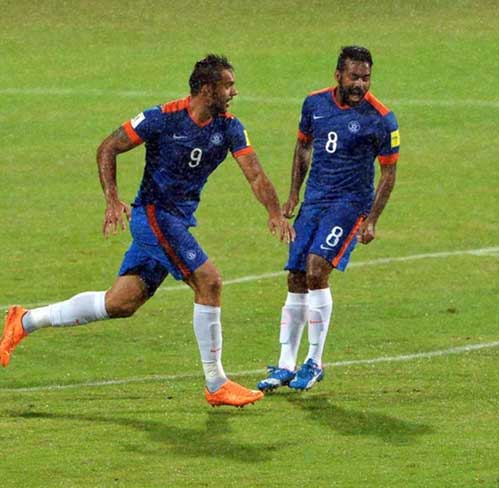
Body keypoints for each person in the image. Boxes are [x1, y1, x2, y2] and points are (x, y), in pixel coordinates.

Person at [1, 54, 295, 407]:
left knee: (120, 303)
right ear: (207, 89)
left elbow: (255, 174)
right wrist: (112, 199)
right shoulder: (162, 118)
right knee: (209, 281)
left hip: (176, 221)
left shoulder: (229, 127)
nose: (234, 92)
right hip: (154, 216)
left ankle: (25, 320)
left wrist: (274, 212)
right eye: (228, 85)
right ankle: (216, 383)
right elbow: (108, 147)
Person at [257, 46, 399, 391]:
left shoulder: (381, 118)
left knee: (317, 269)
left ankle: (314, 362)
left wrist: (372, 219)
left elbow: (388, 173)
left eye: (366, 78)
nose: (360, 84)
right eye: (354, 77)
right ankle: (285, 364)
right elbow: (303, 147)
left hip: (349, 205)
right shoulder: (314, 104)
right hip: (314, 201)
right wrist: (294, 194)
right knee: (295, 276)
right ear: (338, 75)